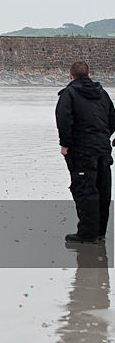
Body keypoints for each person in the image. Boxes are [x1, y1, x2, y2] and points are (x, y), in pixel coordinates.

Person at [55, 61, 115, 243]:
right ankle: (99, 232)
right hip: (103, 149)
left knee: (85, 190)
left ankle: (87, 234)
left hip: (81, 150)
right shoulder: (102, 93)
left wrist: (64, 144)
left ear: (70, 75)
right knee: (102, 190)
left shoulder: (69, 94)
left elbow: (64, 119)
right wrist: (103, 137)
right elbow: (112, 118)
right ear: (88, 74)